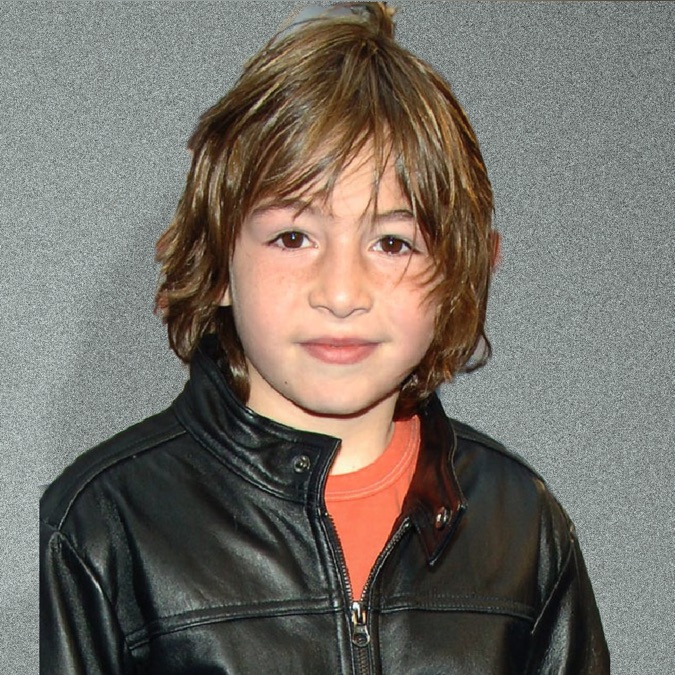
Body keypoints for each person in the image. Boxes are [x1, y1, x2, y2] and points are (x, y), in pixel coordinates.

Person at [40, 3, 609, 673]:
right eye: (293, 237)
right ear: (217, 262)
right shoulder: (105, 524)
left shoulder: (521, 527)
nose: (341, 293)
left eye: (392, 242)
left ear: (456, 272)